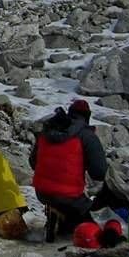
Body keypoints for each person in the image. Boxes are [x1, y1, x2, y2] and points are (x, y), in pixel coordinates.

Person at [29, 99, 106, 241]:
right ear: (87, 117)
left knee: (64, 201)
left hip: (42, 192)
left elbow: (33, 163)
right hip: (70, 196)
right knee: (94, 223)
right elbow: (99, 173)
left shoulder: (47, 130)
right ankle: (66, 220)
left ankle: (57, 215)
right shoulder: (86, 135)